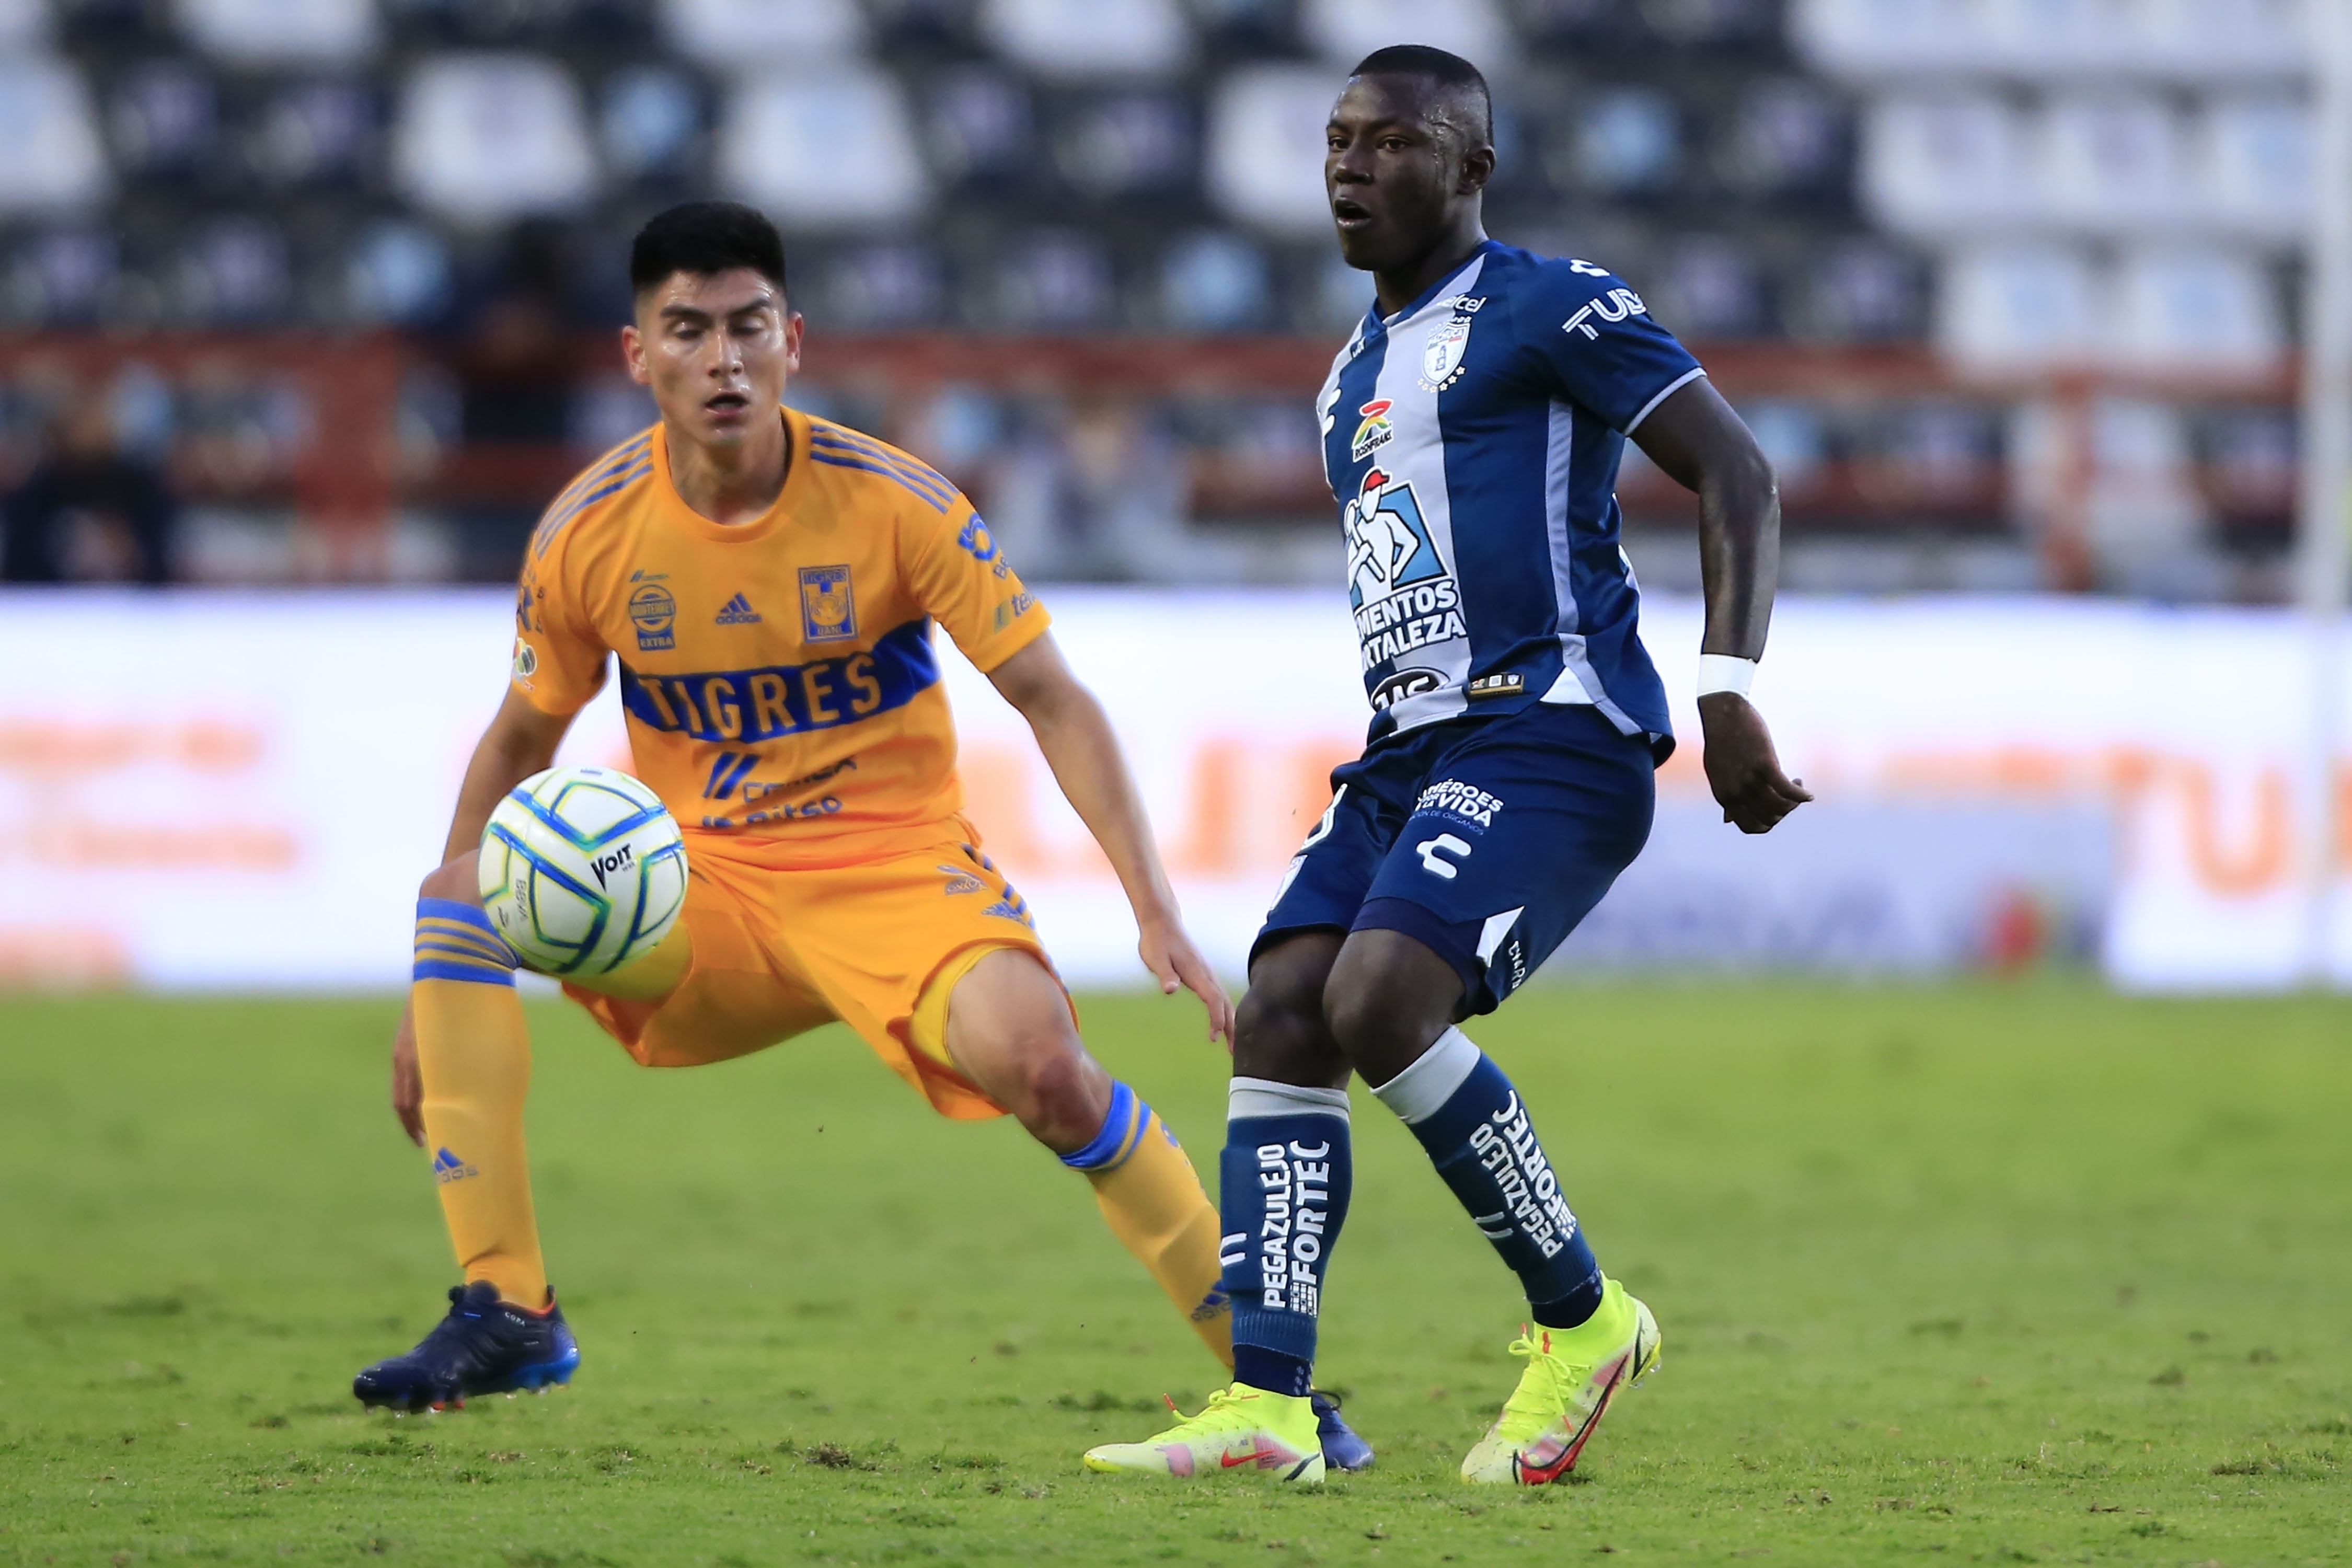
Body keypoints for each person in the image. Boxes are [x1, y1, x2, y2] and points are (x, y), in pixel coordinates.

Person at [350, 201, 1374, 1469]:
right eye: (688, 331)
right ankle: (508, 1307)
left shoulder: (895, 505)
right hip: (699, 896)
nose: (722, 359)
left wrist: (1152, 907)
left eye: (747, 328)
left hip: (898, 879)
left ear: (794, 340)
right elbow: (517, 745)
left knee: (1051, 1074)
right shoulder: (588, 534)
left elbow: (1054, 697)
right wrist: (432, 1002)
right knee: (457, 896)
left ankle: (1278, 1393)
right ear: (638, 355)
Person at [1084, 48, 1809, 1486]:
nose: (1353, 166)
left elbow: (1737, 472)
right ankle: (1269, 1411)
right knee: (1283, 1007)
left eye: (1395, 143)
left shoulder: (1554, 304)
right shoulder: (1347, 372)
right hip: (1408, 750)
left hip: (1555, 727)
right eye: (1338, 141)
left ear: (1470, 168)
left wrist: (1728, 693)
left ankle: (1587, 1322)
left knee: (1377, 997)